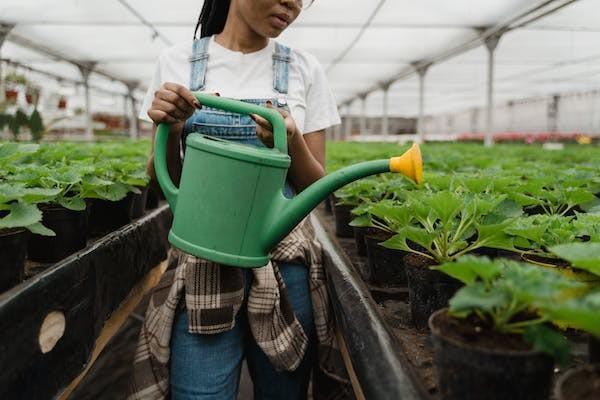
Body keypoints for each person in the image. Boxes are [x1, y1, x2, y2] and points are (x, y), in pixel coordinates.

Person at [128, 1, 342, 399]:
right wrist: (171, 131)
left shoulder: (304, 69)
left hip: (284, 264)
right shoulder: (177, 62)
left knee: (284, 392)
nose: (292, 4)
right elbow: (165, 184)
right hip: (204, 263)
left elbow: (316, 189)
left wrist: (290, 139)